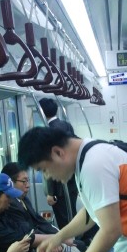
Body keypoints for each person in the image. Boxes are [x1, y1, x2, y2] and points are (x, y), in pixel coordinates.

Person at [0, 163, 100, 252]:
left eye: (28, 180)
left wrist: (58, 237)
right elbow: (29, 235)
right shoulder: (10, 208)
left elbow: (40, 222)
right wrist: (55, 241)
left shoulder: (23, 200)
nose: (28, 185)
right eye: (24, 181)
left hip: (40, 246)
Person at [39, 97, 79, 229]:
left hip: (58, 187)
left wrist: (50, 192)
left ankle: (71, 241)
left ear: (42, 112)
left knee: (63, 220)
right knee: (71, 214)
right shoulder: (66, 125)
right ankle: (77, 238)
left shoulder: (48, 132)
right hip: (71, 180)